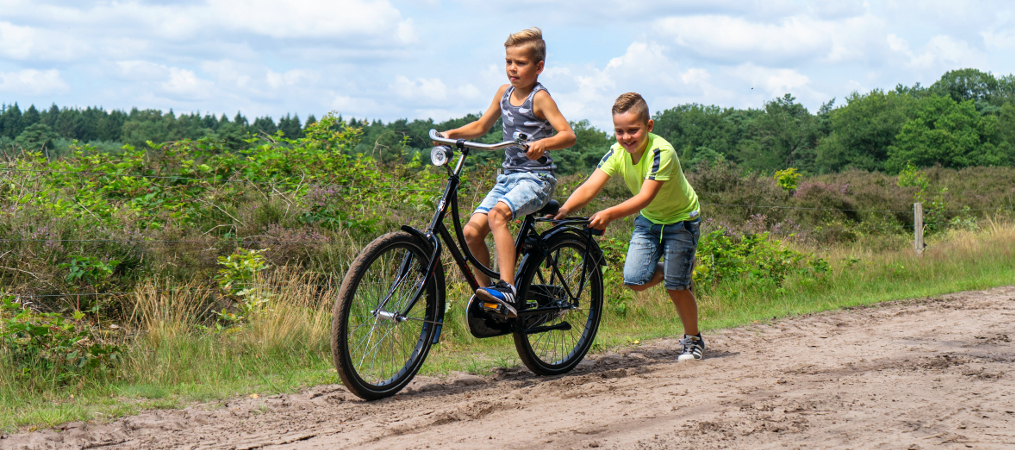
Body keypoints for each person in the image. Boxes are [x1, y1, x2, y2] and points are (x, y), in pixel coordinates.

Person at [553, 92, 705, 361]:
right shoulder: (617, 152)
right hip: (649, 221)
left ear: (649, 126)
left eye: (633, 130)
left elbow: (645, 197)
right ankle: (678, 270)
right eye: (619, 131)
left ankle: (693, 340)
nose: (626, 138)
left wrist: (609, 214)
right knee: (634, 281)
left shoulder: (662, 152)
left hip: (681, 221)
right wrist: (565, 209)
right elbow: (590, 186)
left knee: (675, 287)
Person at [437, 27, 576, 317]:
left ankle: (508, 290)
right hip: (509, 177)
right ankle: (488, 300)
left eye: (521, 63)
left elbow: (568, 135)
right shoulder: (504, 93)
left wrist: (544, 143)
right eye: (508, 61)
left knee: (497, 215)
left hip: (537, 178)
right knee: (471, 232)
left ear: (538, 67)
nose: (513, 68)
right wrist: (452, 133)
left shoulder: (539, 98)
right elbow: (480, 126)